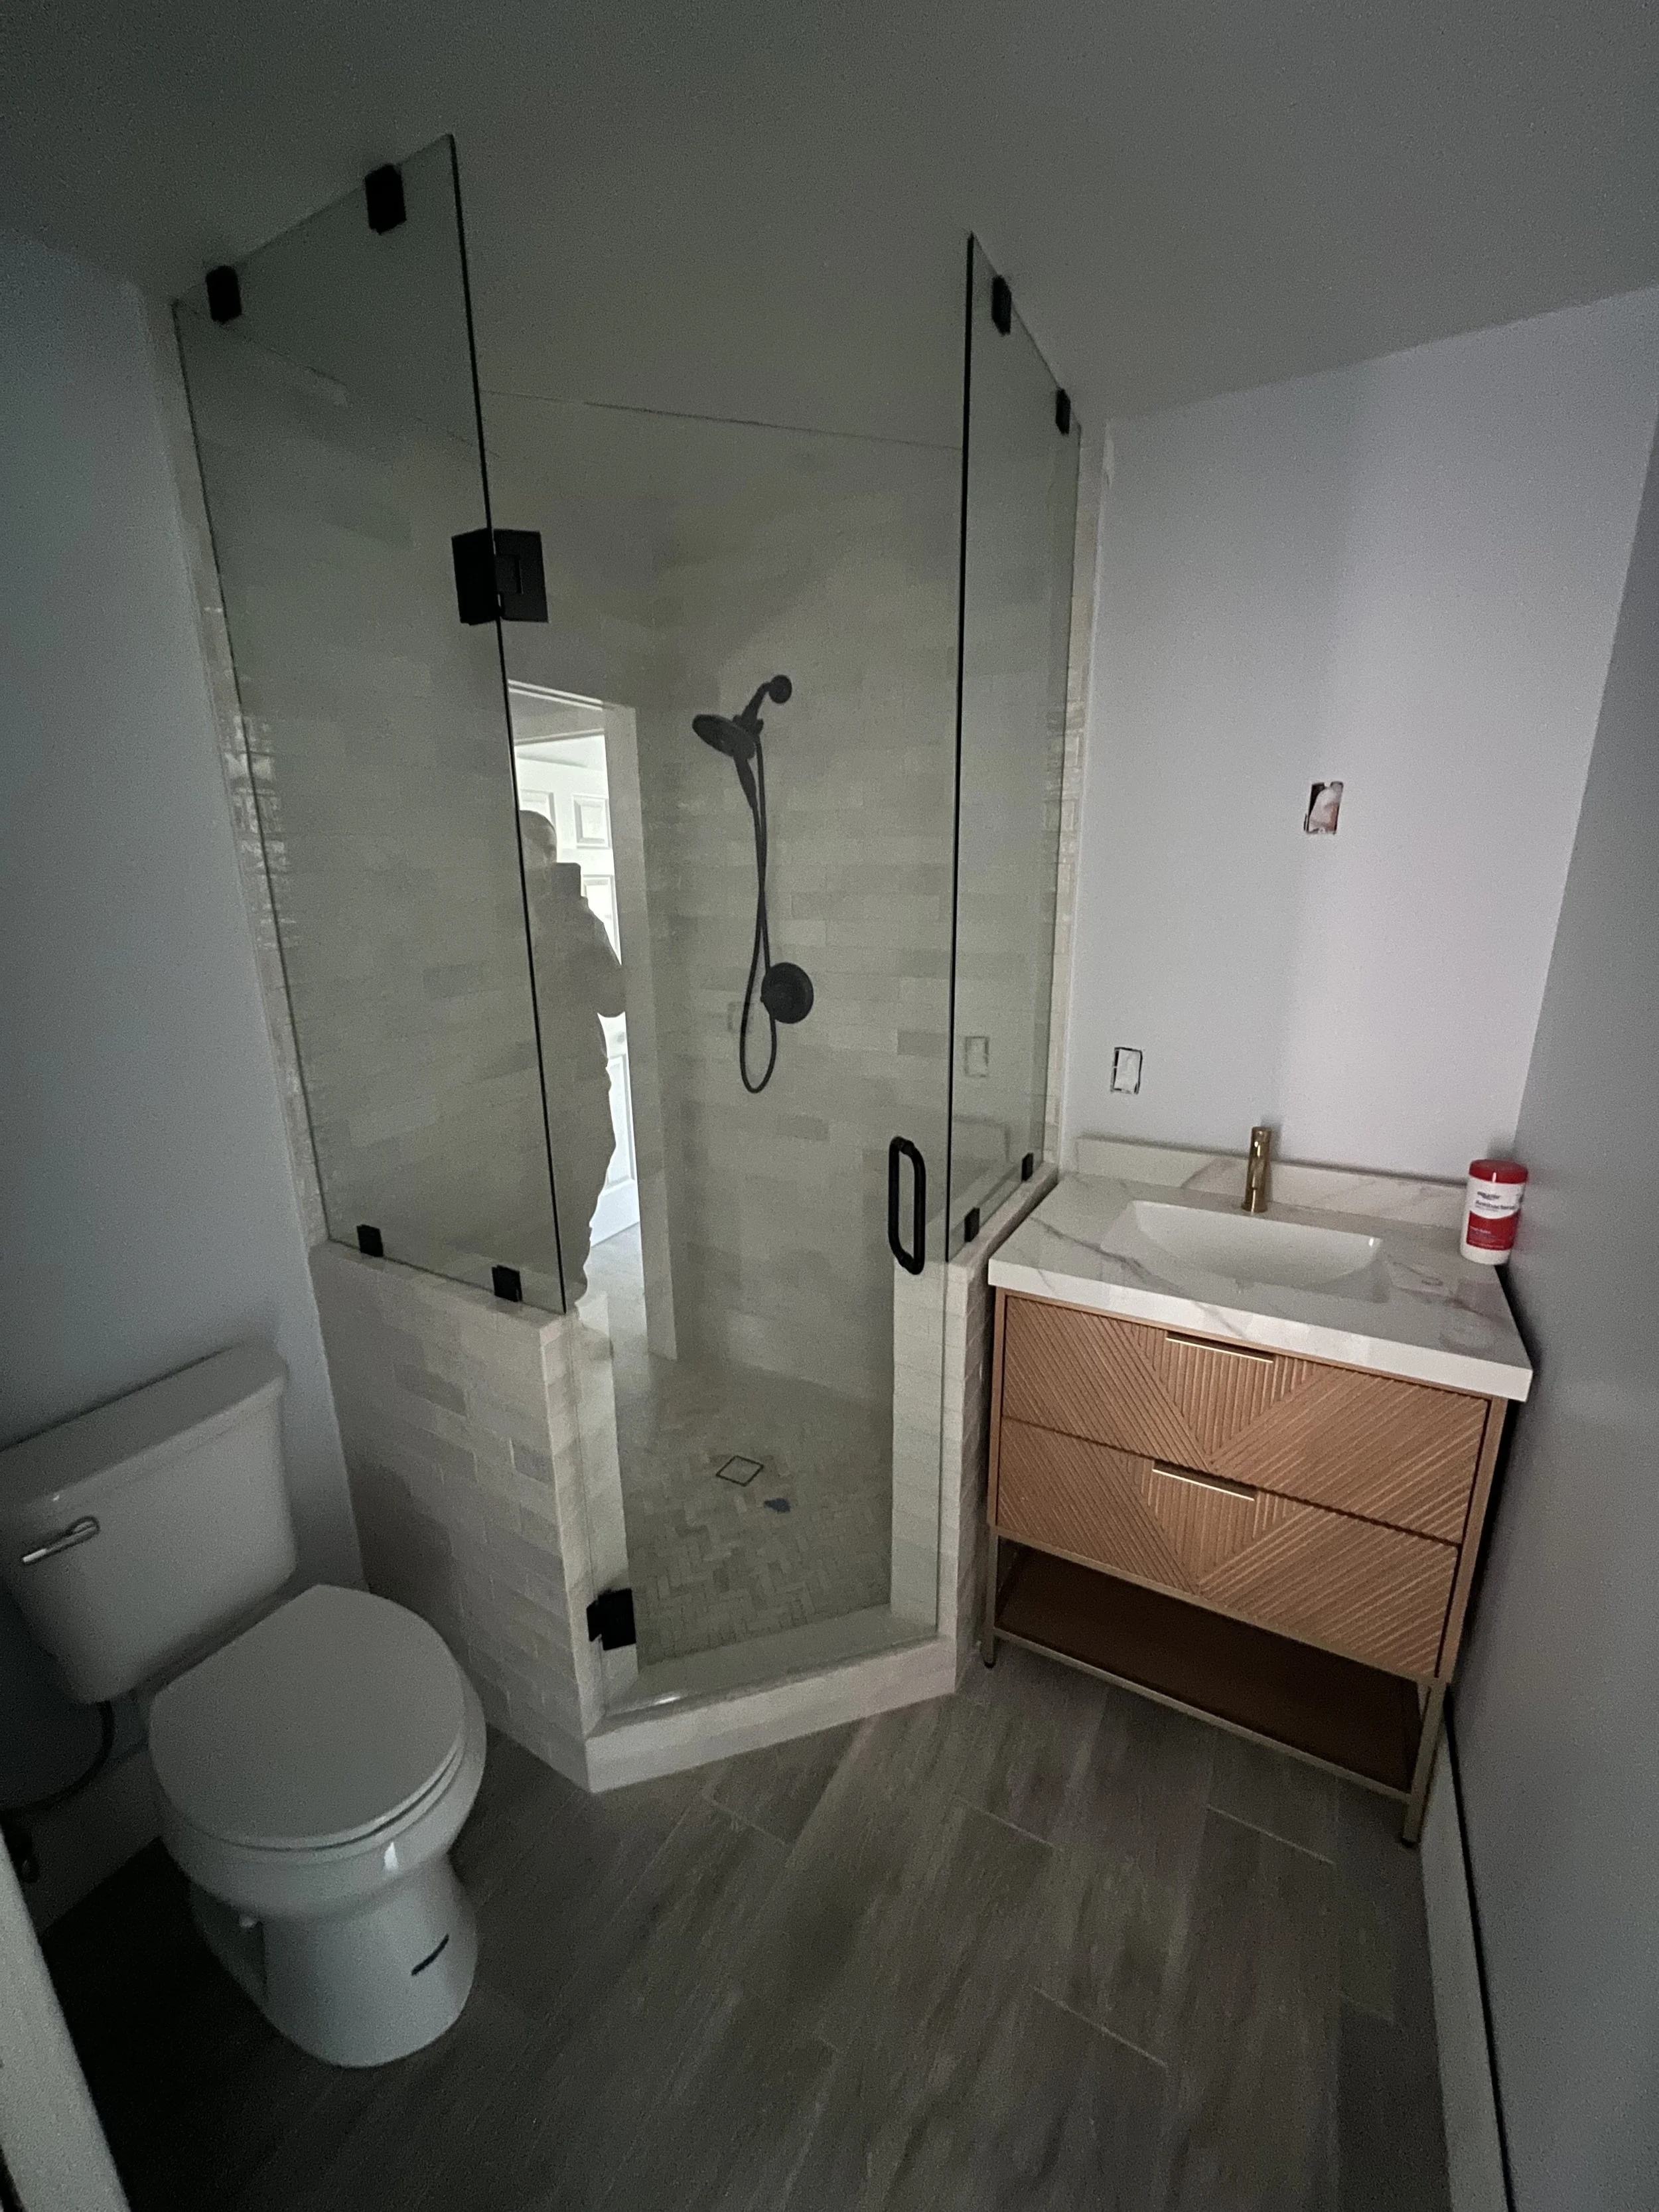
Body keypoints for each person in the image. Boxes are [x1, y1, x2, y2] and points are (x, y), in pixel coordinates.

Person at [518, 810, 625, 1297]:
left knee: (593, 1157)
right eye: (533, 846)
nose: (544, 859)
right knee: (536, 1197)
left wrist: (577, 920)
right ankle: (554, 1296)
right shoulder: (495, 920)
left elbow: (614, 998)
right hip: (522, 1085)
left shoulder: (573, 918)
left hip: (581, 1075)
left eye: (550, 848)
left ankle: (567, 1284)